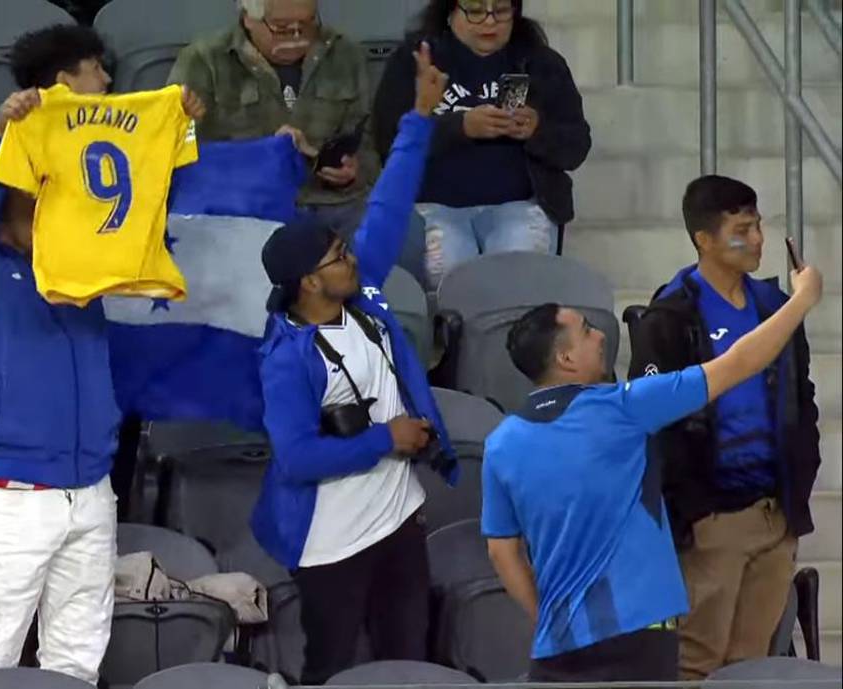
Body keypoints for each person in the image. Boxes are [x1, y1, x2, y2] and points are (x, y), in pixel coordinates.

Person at [0, 24, 204, 684]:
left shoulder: (83, 276)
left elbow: (135, 198)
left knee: (77, 661)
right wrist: (3, 138)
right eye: (33, 198)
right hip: (11, 495)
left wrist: (184, 131)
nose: (49, 207)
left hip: (91, 489)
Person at [481, 260, 823, 682]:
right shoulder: (623, 408)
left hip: (556, 649)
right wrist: (803, 300)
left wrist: (546, 619)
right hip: (639, 636)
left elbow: (502, 552)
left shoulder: (500, 443)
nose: (601, 334)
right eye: (587, 330)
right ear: (566, 357)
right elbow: (739, 364)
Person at [252, 43, 453, 685]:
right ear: (308, 283)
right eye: (337, 256)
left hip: (397, 517)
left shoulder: (363, 298)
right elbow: (297, 458)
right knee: (332, 666)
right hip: (330, 539)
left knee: (410, 661)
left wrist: (420, 116)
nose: (353, 261)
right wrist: (383, 438)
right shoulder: (286, 359)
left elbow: (389, 202)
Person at [626, 175, 820, 679]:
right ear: (703, 239)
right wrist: (691, 511)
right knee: (697, 662)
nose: (756, 239)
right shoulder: (671, 315)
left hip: (775, 514)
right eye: (741, 229)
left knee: (753, 664)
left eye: (758, 226)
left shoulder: (772, 306)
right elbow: (652, 421)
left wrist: (801, 476)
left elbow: (803, 399)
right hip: (711, 519)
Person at [373, 0, 590, 286]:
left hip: (520, 205)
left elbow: (576, 147)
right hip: (434, 206)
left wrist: (537, 130)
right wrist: (460, 126)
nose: (489, 23)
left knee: (516, 283)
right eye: (475, 12)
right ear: (450, 13)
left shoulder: (541, 63)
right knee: (453, 282)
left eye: (500, 11)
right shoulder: (416, 60)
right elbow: (387, 141)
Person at [168, 0, 380, 235]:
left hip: (330, 204)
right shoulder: (204, 61)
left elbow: (368, 148)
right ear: (249, 18)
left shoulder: (346, 54)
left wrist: (354, 172)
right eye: (282, 27)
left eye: (308, 24)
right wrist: (266, 153)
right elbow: (174, 156)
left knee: (400, 229)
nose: (298, 36)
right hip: (242, 211)